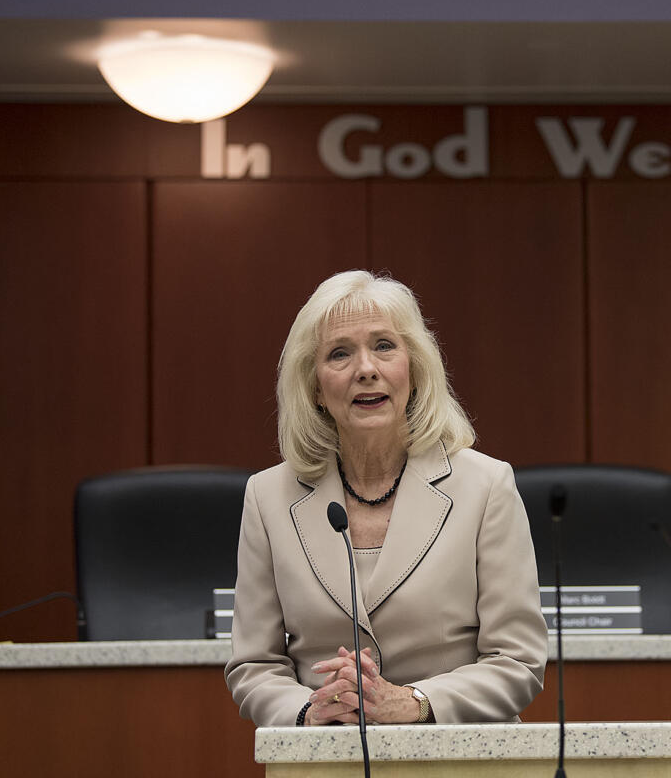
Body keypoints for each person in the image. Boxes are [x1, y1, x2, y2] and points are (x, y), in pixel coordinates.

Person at [225, 271, 547, 727]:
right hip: (325, 760)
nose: (366, 369)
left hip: (458, 761)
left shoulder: (487, 486)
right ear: (315, 387)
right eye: (340, 353)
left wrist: (416, 702)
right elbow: (253, 664)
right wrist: (307, 710)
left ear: (412, 370)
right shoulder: (267, 497)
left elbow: (518, 661)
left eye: (384, 346)